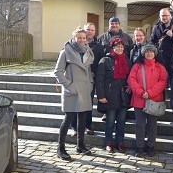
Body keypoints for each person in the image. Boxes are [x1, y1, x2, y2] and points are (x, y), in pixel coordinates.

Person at [54, 28, 94, 160]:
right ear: (74, 38)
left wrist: (90, 84)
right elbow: (58, 72)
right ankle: (60, 148)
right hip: (72, 91)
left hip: (84, 89)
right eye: (79, 38)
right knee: (68, 119)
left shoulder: (88, 51)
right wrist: (69, 86)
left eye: (84, 38)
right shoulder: (66, 51)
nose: (82, 40)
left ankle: (80, 145)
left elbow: (88, 71)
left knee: (82, 118)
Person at [127, 43, 168, 157]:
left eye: (151, 51)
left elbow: (163, 82)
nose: (149, 53)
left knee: (152, 125)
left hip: (153, 100)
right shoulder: (137, 66)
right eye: (147, 51)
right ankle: (139, 146)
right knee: (139, 125)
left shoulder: (160, 67)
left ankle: (151, 146)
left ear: (155, 53)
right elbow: (131, 79)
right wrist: (141, 92)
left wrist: (150, 93)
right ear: (143, 53)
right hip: (139, 99)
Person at [96, 37, 132, 153]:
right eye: (118, 46)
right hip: (110, 95)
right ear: (112, 47)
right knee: (110, 122)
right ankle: (108, 142)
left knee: (121, 122)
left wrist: (130, 85)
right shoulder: (105, 60)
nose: (120, 48)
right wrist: (101, 96)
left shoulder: (127, 60)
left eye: (122, 46)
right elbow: (99, 80)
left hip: (122, 96)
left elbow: (131, 76)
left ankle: (120, 142)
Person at [70, 22, 104, 136]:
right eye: (88, 29)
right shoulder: (73, 45)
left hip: (90, 79)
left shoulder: (98, 46)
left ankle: (88, 125)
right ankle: (75, 127)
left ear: (95, 32)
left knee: (88, 103)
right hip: (76, 78)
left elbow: (100, 63)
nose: (90, 32)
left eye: (92, 30)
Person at [150, 8, 173, 77]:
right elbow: (152, 41)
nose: (164, 17)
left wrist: (172, 35)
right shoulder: (156, 28)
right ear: (160, 16)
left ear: (170, 16)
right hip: (160, 57)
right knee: (160, 77)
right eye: (162, 16)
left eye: (166, 15)